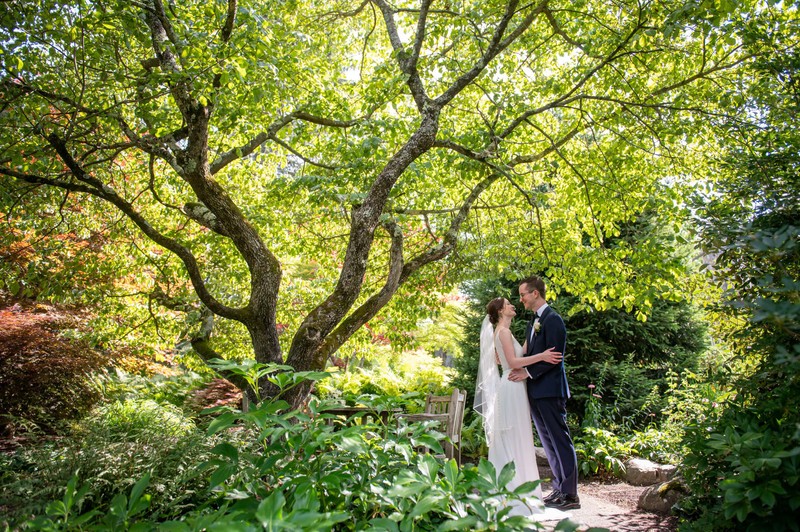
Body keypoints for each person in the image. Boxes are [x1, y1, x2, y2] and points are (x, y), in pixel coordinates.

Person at [474, 297, 565, 517]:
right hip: (512, 386)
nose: (514, 305)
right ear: (501, 310)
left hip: (512, 385)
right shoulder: (503, 332)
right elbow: (514, 363)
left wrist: (531, 337)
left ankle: (514, 491)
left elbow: (505, 358)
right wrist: (542, 356)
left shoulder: (504, 331)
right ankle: (515, 493)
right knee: (515, 435)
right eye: (509, 303)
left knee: (516, 435)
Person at [508, 276, 580, 510]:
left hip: (550, 391)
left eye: (523, 295)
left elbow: (554, 358)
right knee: (548, 443)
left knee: (560, 441)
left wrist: (527, 373)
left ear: (535, 293)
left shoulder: (553, 319)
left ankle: (570, 496)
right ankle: (559, 489)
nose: (521, 300)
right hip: (536, 393)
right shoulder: (533, 322)